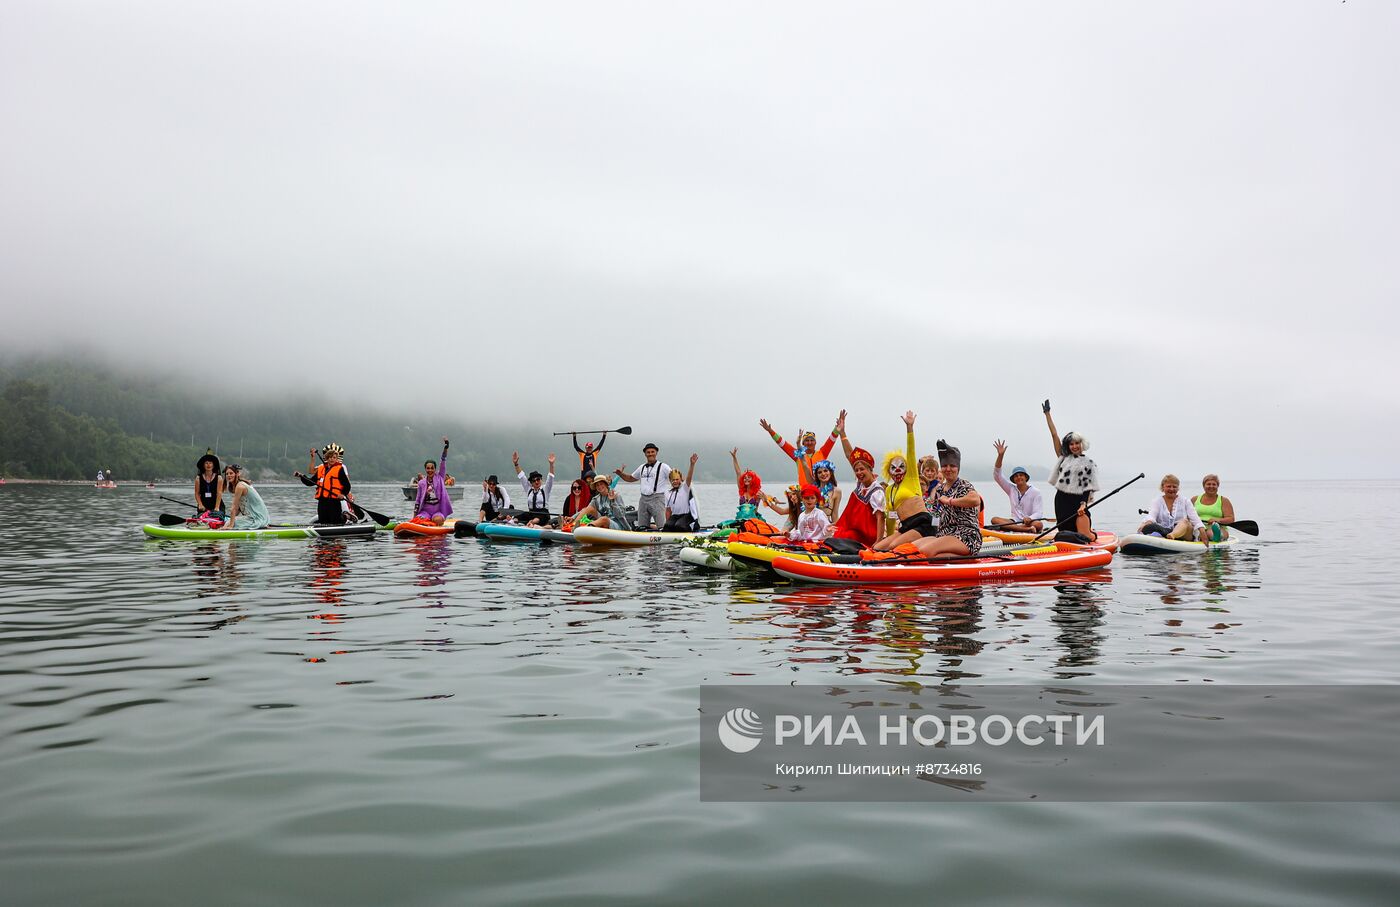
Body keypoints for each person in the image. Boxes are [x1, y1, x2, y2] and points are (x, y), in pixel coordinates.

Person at [908, 441, 984, 557]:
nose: (948, 469)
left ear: (957, 468)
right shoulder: (939, 490)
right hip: (943, 535)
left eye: (952, 466)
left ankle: (967, 559)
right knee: (909, 548)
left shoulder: (963, 485)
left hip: (966, 536)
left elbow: (975, 500)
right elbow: (931, 512)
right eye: (944, 466)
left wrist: (950, 501)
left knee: (926, 552)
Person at [873, 411, 933, 550]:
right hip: (905, 527)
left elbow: (911, 452)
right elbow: (890, 517)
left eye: (901, 466)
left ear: (907, 468)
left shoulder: (911, 478)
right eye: (894, 468)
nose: (898, 470)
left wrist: (909, 428)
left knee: (894, 546)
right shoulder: (889, 489)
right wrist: (885, 537)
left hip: (922, 524)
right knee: (879, 547)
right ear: (888, 471)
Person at [829, 411, 886, 546]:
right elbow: (850, 455)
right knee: (837, 534)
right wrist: (842, 433)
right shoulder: (861, 484)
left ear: (870, 470)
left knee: (841, 538)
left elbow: (880, 518)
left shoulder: (877, 492)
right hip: (851, 530)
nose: (859, 472)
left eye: (862, 469)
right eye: (856, 470)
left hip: (864, 536)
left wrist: (878, 542)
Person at [1043, 399, 1097, 538]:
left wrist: (1083, 504)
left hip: (1079, 502)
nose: (1074, 446)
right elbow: (1054, 435)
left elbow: (1088, 486)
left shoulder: (1087, 463)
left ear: (1082, 444)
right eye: (1071, 444)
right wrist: (1047, 413)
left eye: (1077, 443)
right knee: (1066, 534)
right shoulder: (1063, 458)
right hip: (1062, 501)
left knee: (1084, 536)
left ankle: (1092, 535)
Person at [758, 412, 841, 486]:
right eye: (807, 441)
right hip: (805, 494)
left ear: (815, 442)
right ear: (803, 444)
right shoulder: (798, 455)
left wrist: (837, 429)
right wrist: (770, 430)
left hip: (820, 492)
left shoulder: (822, 453)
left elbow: (831, 440)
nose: (809, 442)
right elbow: (782, 443)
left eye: (812, 440)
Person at [294, 444, 357, 525]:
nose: (332, 459)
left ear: (337, 459)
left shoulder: (340, 469)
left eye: (334, 458)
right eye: (330, 457)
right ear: (327, 458)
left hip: (334, 500)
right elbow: (310, 482)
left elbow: (347, 485)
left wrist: (343, 494)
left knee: (335, 521)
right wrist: (301, 476)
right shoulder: (321, 469)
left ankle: (345, 516)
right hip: (322, 500)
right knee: (323, 521)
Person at [990, 439, 1045, 531]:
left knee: (1039, 524)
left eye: (1021, 475)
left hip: (1029, 521)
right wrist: (1000, 455)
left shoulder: (1036, 492)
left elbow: (1038, 512)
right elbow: (997, 475)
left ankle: (1018, 528)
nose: (1019, 477)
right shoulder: (1011, 489)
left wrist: (1030, 518)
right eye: (1016, 476)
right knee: (994, 520)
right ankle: (1023, 529)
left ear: (1026, 477)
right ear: (1014, 480)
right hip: (1014, 521)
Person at [615, 443, 671, 530]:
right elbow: (630, 478)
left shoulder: (663, 467)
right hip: (643, 499)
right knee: (642, 527)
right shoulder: (642, 467)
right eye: (648, 452)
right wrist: (620, 474)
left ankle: (664, 537)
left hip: (657, 498)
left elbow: (674, 477)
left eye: (652, 452)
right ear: (645, 454)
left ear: (656, 453)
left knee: (662, 527)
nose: (650, 454)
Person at [1140, 474, 1209, 541]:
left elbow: (1195, 518)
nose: (1172, 489)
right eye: (1169, 486)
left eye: (1174, 487)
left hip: (1185, 534)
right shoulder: (1157, 501)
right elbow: (1152, 515)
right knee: (1147, 524)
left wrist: (1203, 533)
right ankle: (1163, 536)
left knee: (1185, 521)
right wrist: (1146, 523)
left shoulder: (1185, 501)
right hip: (1165, 531)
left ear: (1178, 488)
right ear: (1163, 487)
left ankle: (1172, 535)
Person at [413, 438, 454, 525]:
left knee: (438, 520)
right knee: (419, 520)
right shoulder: (421, 483)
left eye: (432, 468)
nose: (430, 470)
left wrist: (446, 447)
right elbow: (417, 501)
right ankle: (426, 522)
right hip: (425, 512)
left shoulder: (440, 478)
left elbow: (443, 461)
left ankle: (433, 522)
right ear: (425, 469)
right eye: (428, 468)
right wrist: (414, 518)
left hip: (437, 512)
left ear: (435, 469)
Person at [512, 451, 556, 526]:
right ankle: (513, 522)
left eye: (538, 479)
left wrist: (551, 464)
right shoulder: (529, 490)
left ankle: (532, 522)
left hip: (543, 515)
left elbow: (551, 477)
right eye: (534, 480)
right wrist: (516, 464)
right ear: (531, 483)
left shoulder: (545, 490)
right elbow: (522, 476)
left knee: (541, 515)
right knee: (519, 515)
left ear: (541, 480)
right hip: (532, 513)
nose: (536, 482)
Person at [222, 464, 270, 531]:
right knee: (228, 521)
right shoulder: (239, 484)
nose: (228, 475)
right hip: (259, 518)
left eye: (231, 473)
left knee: (229, 522)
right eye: (227, 474)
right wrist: (231, 521)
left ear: (237, 473)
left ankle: (259, 525)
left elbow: (234, 507)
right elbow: (238, 509)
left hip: (257, 518)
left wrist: (230, 526)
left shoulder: (240, 486)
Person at [663, 454, 701, 532]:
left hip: (687, 515)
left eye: (677, 479)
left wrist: (692, 464)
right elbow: (668, 510)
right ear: (670, 481)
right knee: (667, 526)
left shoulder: (685, 487)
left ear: (680, 479)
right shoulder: (668, 493)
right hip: (675, 516)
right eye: (673, 480)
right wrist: (667, 523)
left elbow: (689, 478)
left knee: (679, 526)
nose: (675, 481)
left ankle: (692, 527)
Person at [1192, 474, 1235, 541]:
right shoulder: (1194, 499)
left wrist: (1217, 520)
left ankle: (1216, 537)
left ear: (1218, 486)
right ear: (1204, 486)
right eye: (1208, 484)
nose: (1211, 486)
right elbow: (1187, 515)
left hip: (1218, 527)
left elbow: (1231, 519)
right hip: (1199, 527)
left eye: (1214, 484)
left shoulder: (1224, 500)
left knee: (1210, 532)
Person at [729, 448, 764, 522]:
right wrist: (734, 458)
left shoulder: (758, 493)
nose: (746, 479)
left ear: (754, 480)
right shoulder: (742, 491)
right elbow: (738, 473)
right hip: (740, 520)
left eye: (749, 477)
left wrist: (770, 499)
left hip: (753, 521)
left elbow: (768, 499)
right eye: (745, 478)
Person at [194, 450, 225, 516]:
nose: (208, 465)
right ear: (203, 465)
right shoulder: (198, 478)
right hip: (203, 506)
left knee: (216, 517)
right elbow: (197, 493)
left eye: (210, 463)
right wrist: (200, 504)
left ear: (213, 465)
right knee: (201, 518)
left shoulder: (219, 478)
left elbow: (219, 493)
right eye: (206, 463)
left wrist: (216, 507)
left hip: (217, 505)